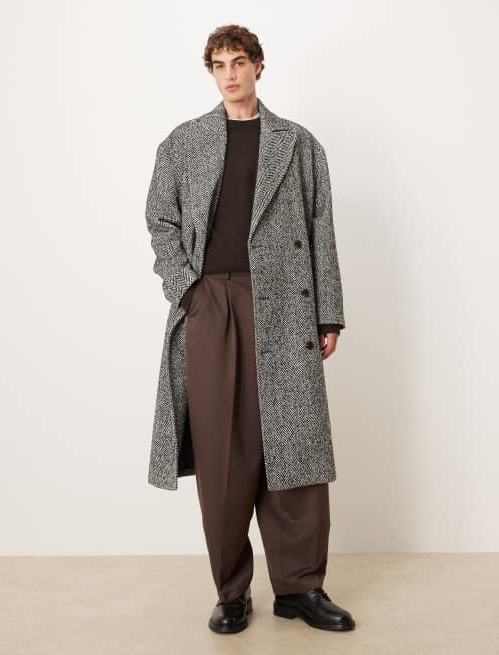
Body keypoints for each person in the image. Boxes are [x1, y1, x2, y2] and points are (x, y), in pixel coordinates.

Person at [144, 24, 356, 634]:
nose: (230, 74)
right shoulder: (183, 142)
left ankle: (300, 587)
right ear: (211, 72)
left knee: (295, 445)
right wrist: (188, 289)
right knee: (222, 452)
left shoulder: (298, 144)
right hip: (212, 303)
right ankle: (231, 592)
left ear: (259, 66)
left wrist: (328, 311)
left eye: (239, 62)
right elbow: (160, 220)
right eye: (219, 64)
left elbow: (320, 226)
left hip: (286, 304)